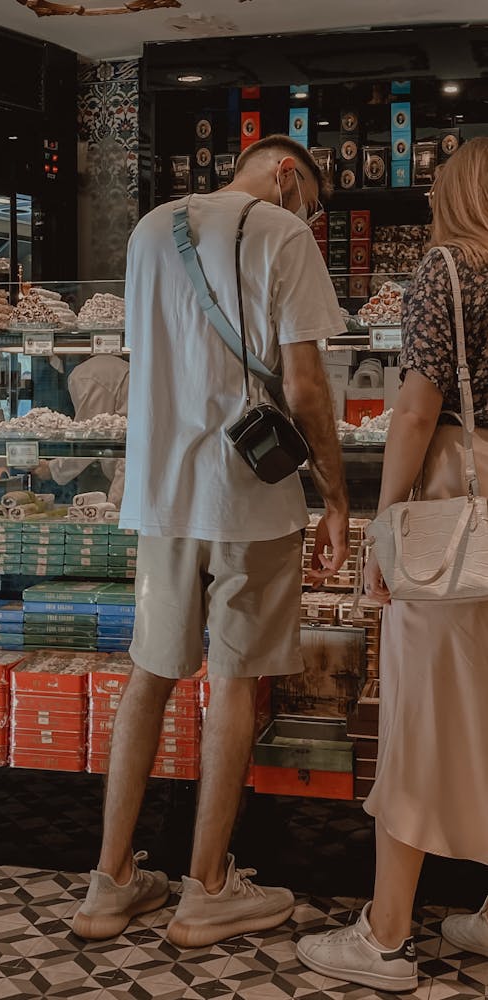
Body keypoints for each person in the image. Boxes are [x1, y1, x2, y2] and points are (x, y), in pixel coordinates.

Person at [72, 135, 349, 946]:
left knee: (148, 677)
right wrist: (332, 494)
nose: (310, 219)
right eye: (313, 204)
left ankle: (109, 883)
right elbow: (303, 385)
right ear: (287, 172)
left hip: (159, 492)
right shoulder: (283, 232)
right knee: (231, 682)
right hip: (248, 496)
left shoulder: (150, 229)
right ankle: (208, 888)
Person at [296, 137, 488, 992]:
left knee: (418, 716)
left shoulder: (446, 271)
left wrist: (386, 516)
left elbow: (414, 411)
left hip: (455, 504)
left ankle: (385, 936)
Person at [32, 353, 129, 505]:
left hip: (126, 472)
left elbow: (91, 436)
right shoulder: (126, 370)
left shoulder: (89, 374)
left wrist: (53, 469)